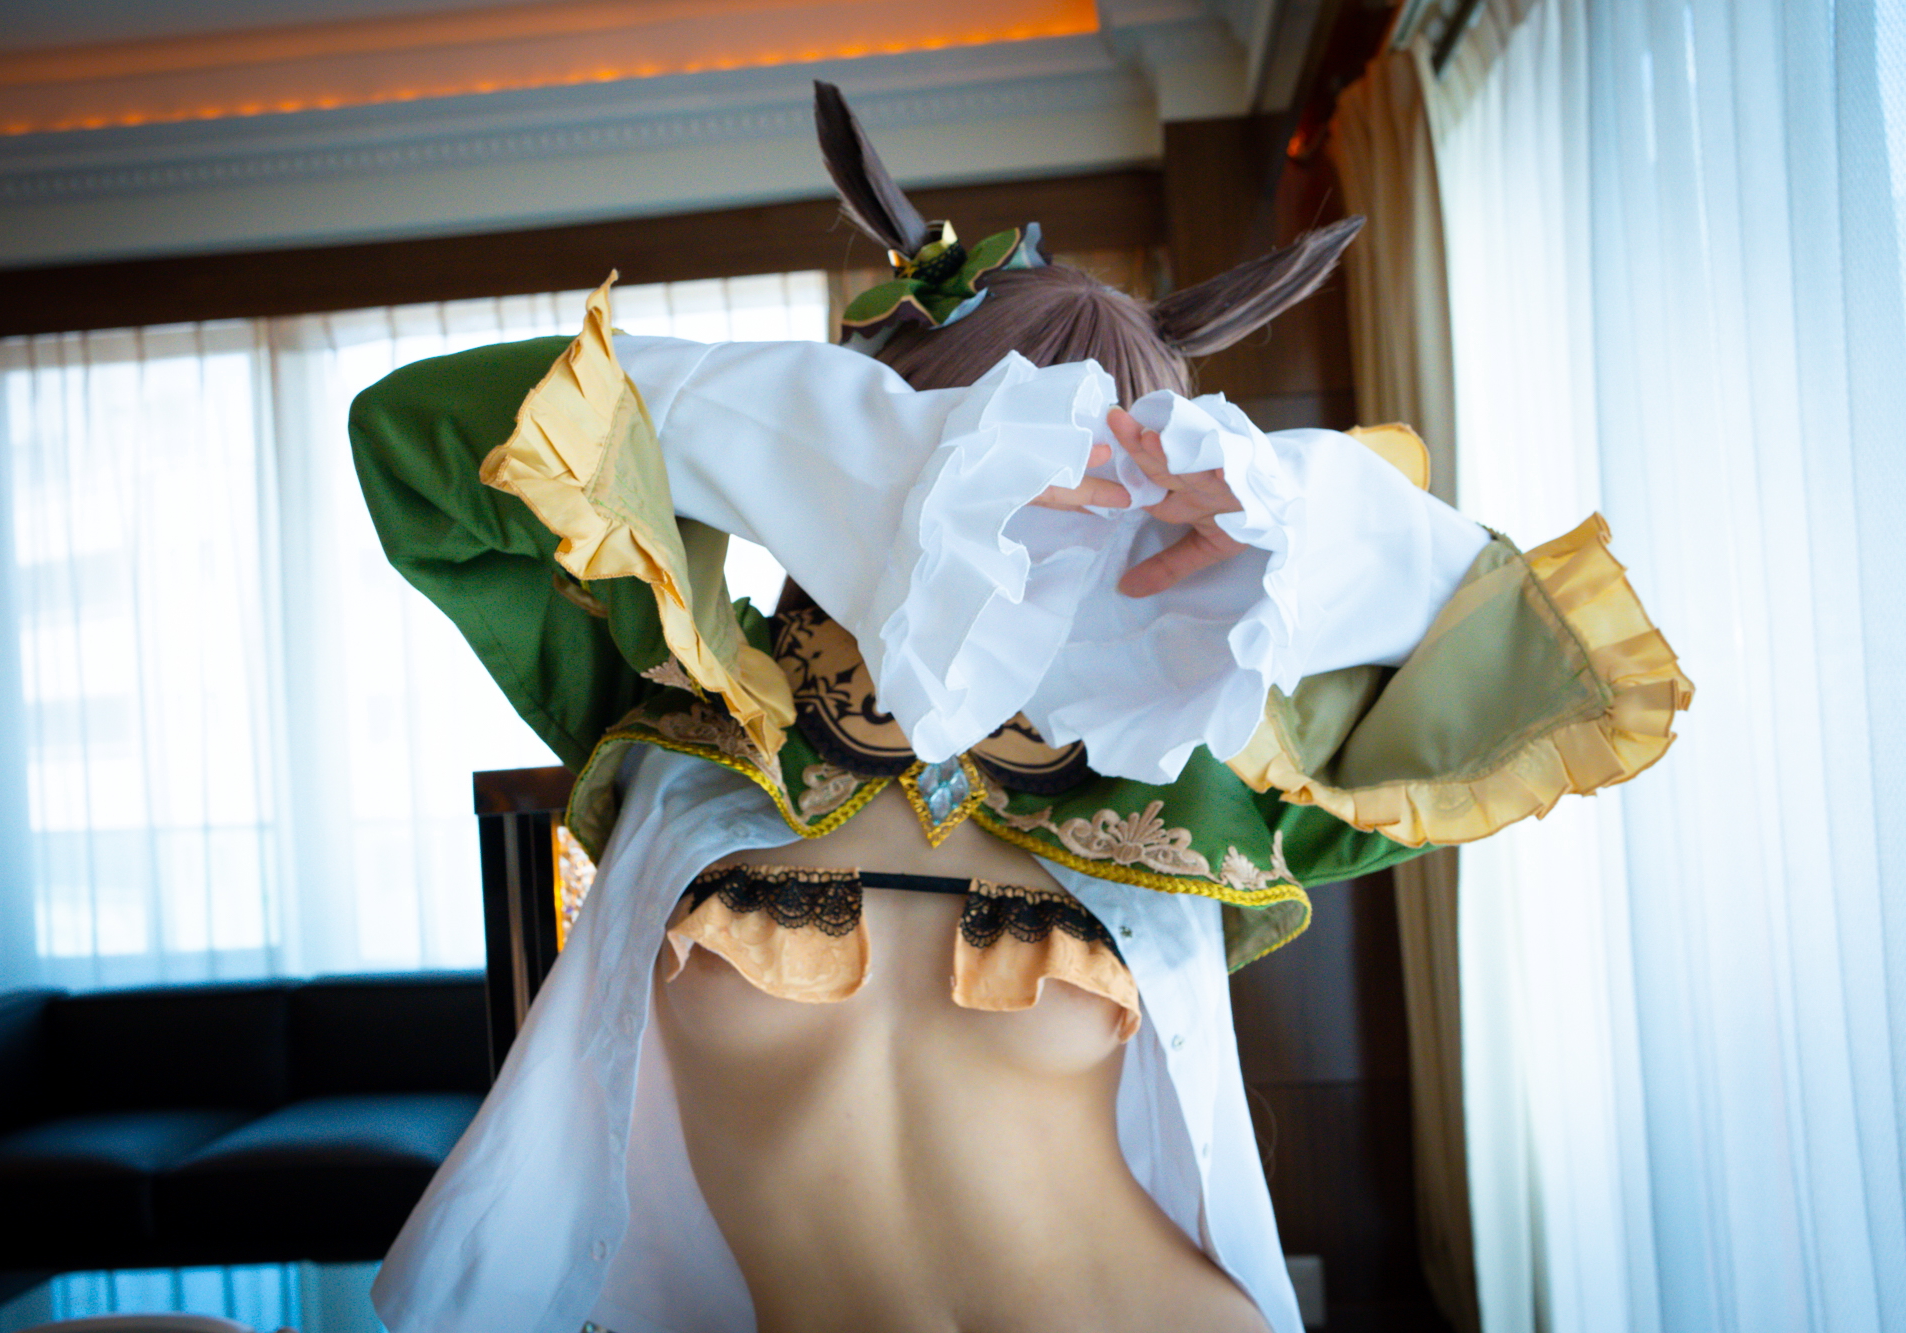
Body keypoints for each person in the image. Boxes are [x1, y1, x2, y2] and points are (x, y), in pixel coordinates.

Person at [350, 84, 1690, 1333]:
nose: (1049, 524)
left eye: (1112, 480)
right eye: (984, 449)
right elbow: (414, 443)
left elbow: (1553, 676)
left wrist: (1293, 510)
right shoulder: (691, 691)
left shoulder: (1193, 760)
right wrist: (860, 452)